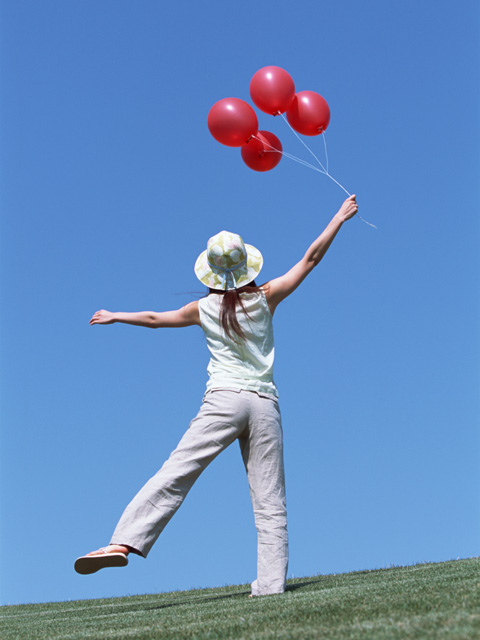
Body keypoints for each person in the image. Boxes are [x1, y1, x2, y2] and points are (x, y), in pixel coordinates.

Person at [74, 195, 358, 596]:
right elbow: (310, 258)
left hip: (223, 401)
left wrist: (117, 315)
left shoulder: (201, 309)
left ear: (211, 273)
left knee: (178, 470)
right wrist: (338, 218)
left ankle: (124, 541)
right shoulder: (266, 296)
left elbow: (156, 320)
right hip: (263, 405)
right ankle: (272, 586)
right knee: (269, 499)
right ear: (246, 268)